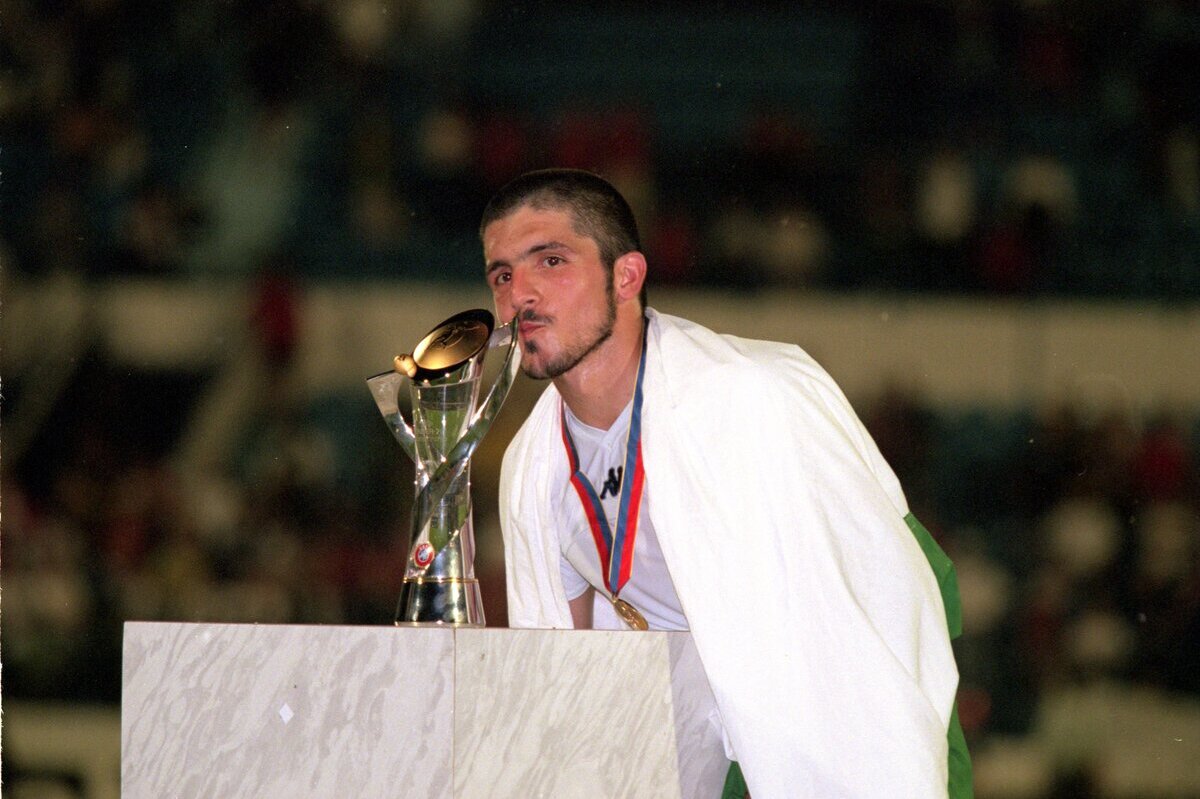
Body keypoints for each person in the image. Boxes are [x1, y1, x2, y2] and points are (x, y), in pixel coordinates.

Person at [481, 168, 972, 798]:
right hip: (701, 743)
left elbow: (883, 579)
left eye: (549, 260)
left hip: (853, 716)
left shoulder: (754, 395)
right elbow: (570, 667)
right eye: (502, 274)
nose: (520, 293)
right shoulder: (531, 467)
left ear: (626, 276)